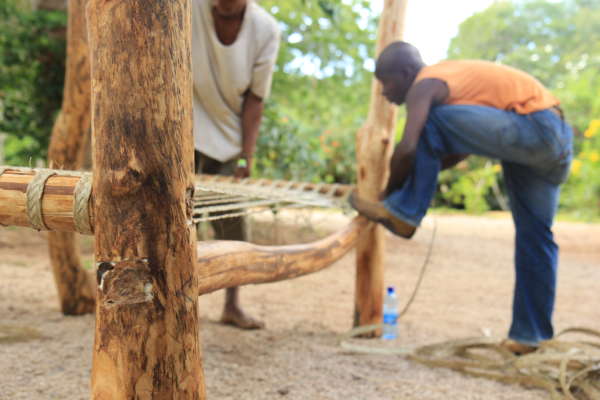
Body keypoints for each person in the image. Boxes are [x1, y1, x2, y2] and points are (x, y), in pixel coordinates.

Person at [350, 41, 572, 354]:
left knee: (429, 120)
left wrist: (389, 198)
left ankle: (405, 212)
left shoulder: (425, 84)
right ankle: (528, 337)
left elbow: (409, 147)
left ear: (405, 72)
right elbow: (452, 152)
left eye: (385, 82)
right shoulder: (457, 86)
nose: (384, 93)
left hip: (535, 127)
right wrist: (413, 178)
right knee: (536, 238)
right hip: (555, 139)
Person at [192, 0, 280, 329]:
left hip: (229, 134)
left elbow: (255, 98)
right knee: (182, 221)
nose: (223, 6)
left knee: (231, 221)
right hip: (183, 121)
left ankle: (232, 305)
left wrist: (246, 154)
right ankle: (181, 301)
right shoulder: (189, 8)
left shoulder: (265, 30)